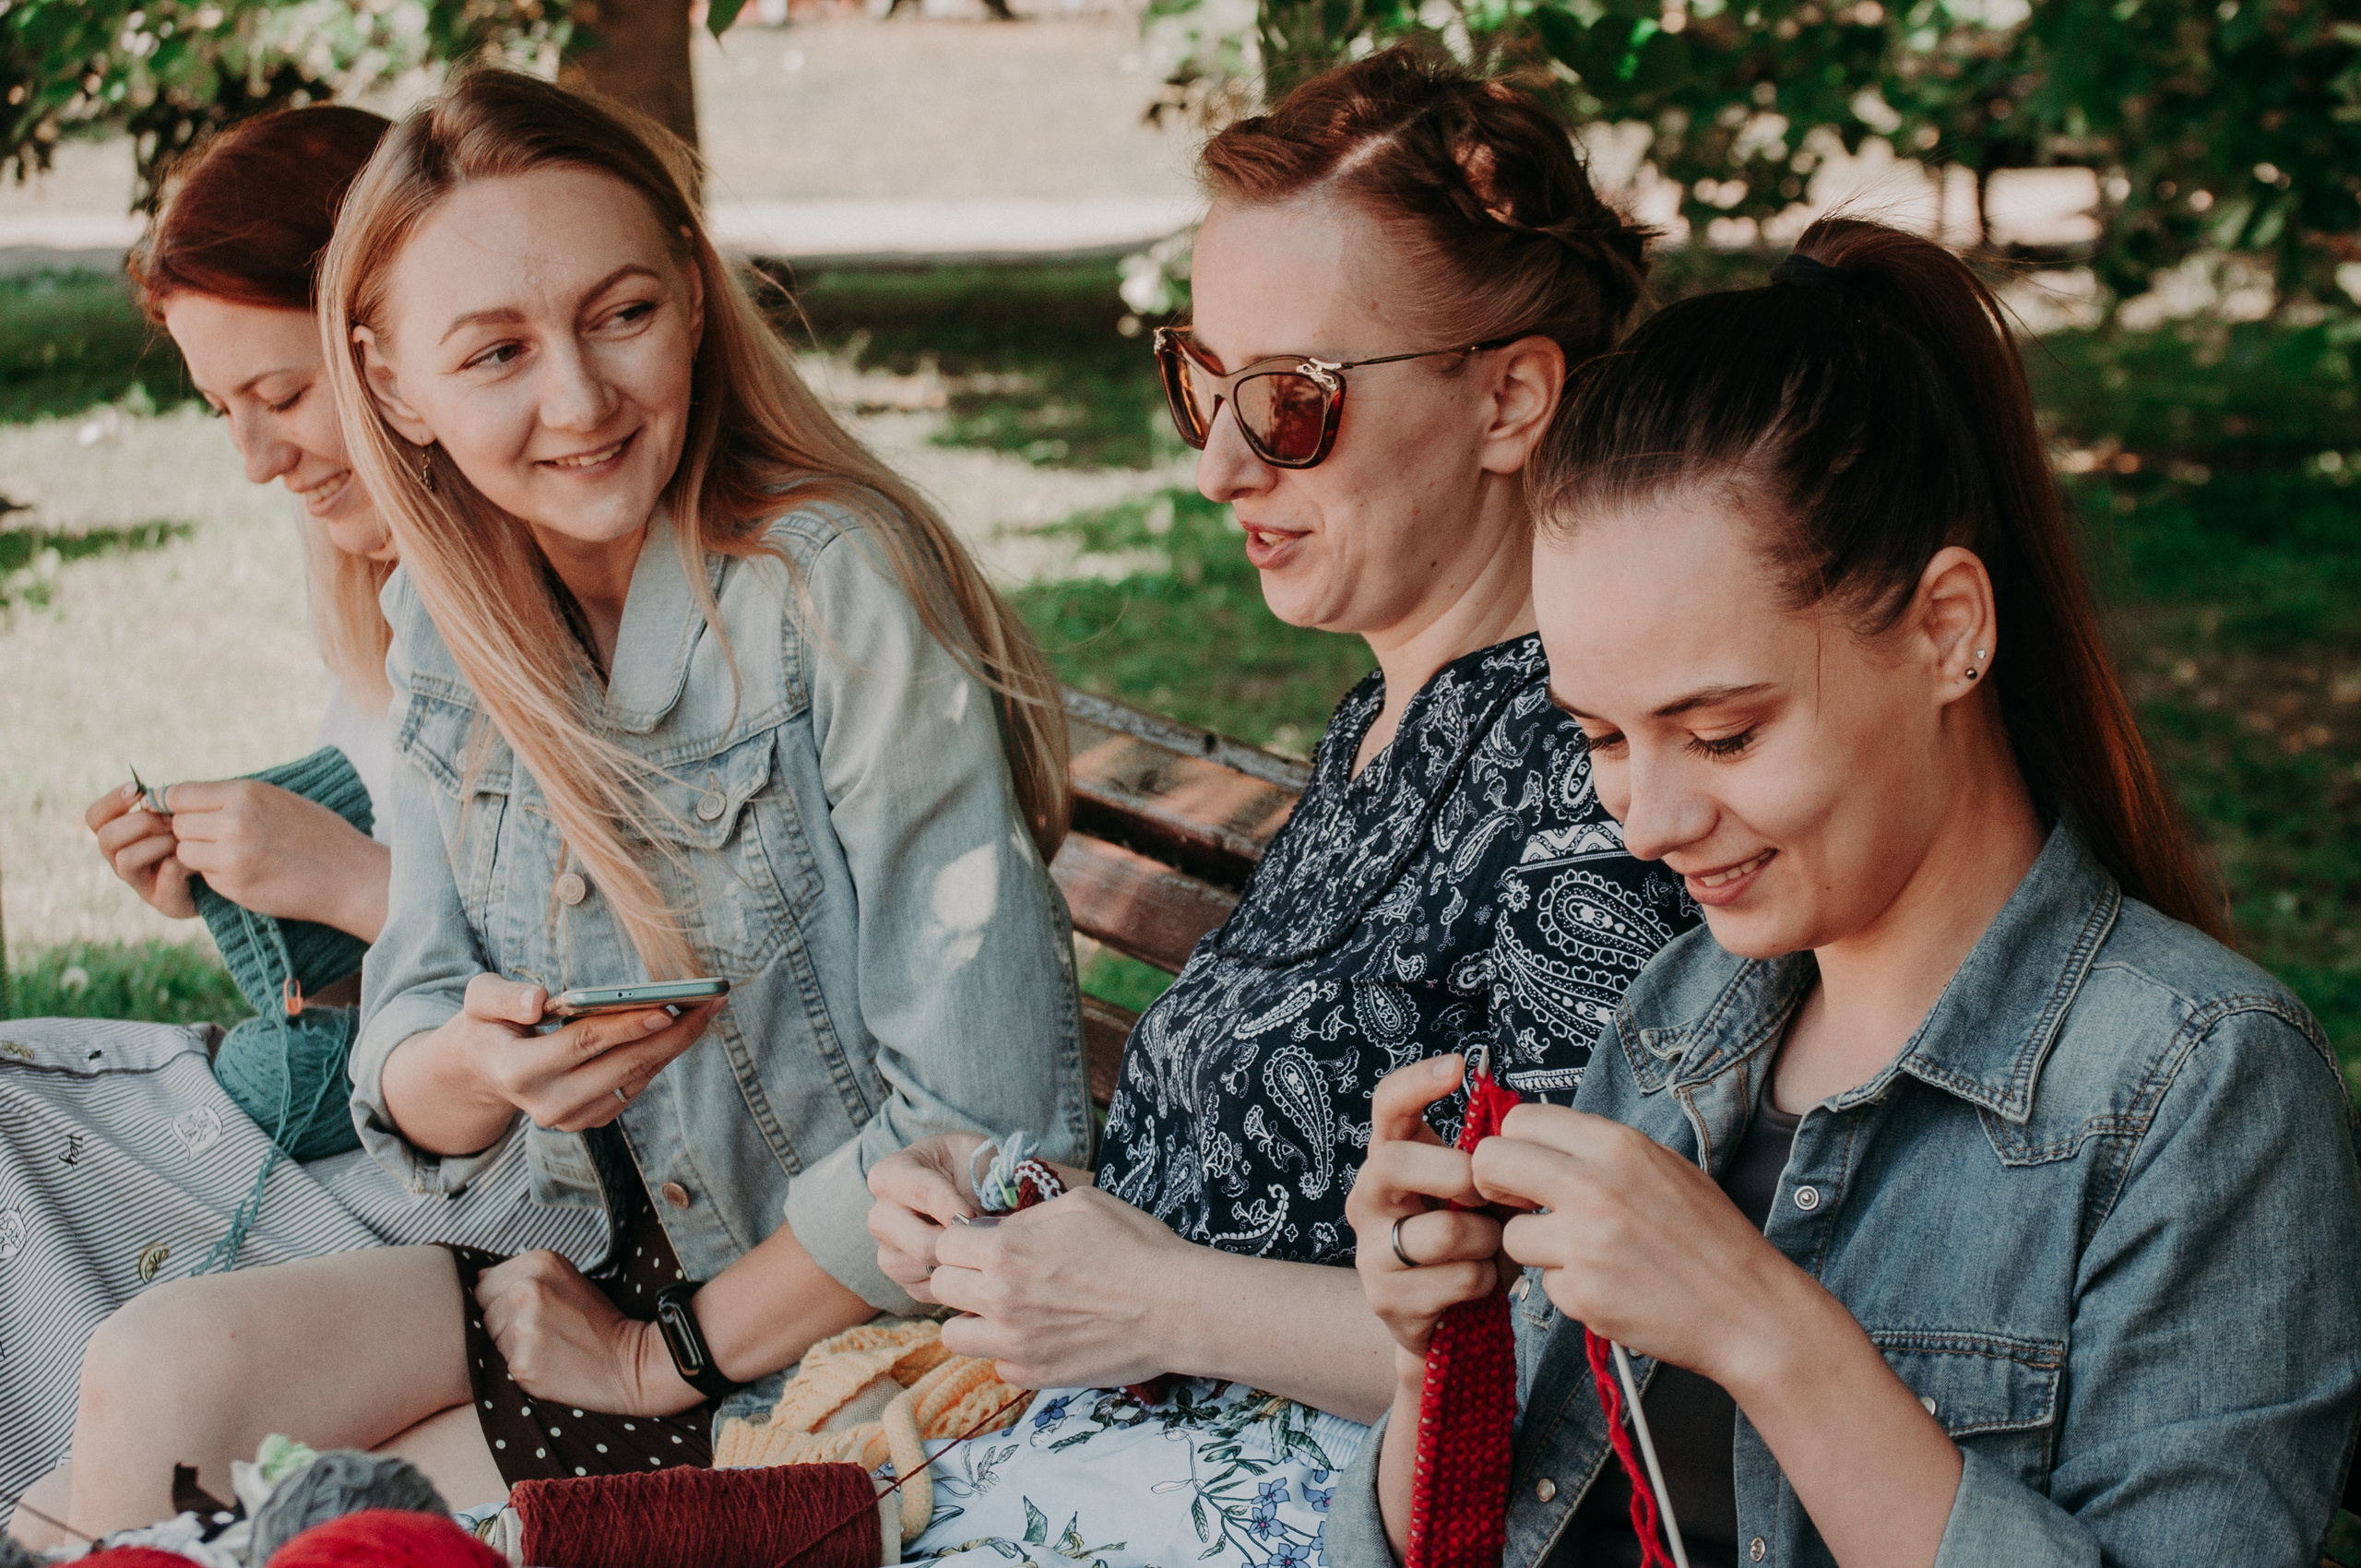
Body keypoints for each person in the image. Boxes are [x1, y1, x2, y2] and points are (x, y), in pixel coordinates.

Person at [56, 68, 1089, 1532]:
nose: (579, 401)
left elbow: (986, 1132)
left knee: (286, 1523)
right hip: (602, 1260)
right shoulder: (453, 617)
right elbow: (404, 1041)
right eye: (494, 352)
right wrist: (485, 1073)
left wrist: (663, 1357)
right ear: (394, 383)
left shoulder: (826, 584)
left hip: (827, 1328)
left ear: (691, 289)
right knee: (155, 1373)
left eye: (622, 316)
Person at [1340, 219, 2361, 1568]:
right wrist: (1434, 1367)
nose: (1646, 822)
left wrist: (1763, 1328)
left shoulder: (2194, 1092)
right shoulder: (1685, 1013)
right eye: (1599, 736)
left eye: (1722, 735)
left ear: (1947, 632)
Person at [860, 45, 1697, 1565]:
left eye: (1292, 401)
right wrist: (1017, 1209)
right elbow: (1266, 1190)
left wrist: (1153, 1302)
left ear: (1510, 397)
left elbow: (1572, 1355)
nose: (1218, 466)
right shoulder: (1380, 723)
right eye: (1202, 382)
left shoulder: (1602, 776)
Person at [6, 106, 608, 1531]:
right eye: (225, 411)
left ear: (383, 345)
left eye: (276, 394)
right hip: (423, 1135)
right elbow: (398, 991)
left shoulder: (550, 607)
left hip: (524, 1194)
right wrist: (257, 881)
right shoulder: (406, 602)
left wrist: (340, 876)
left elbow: (603, 989)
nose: (259, 459)